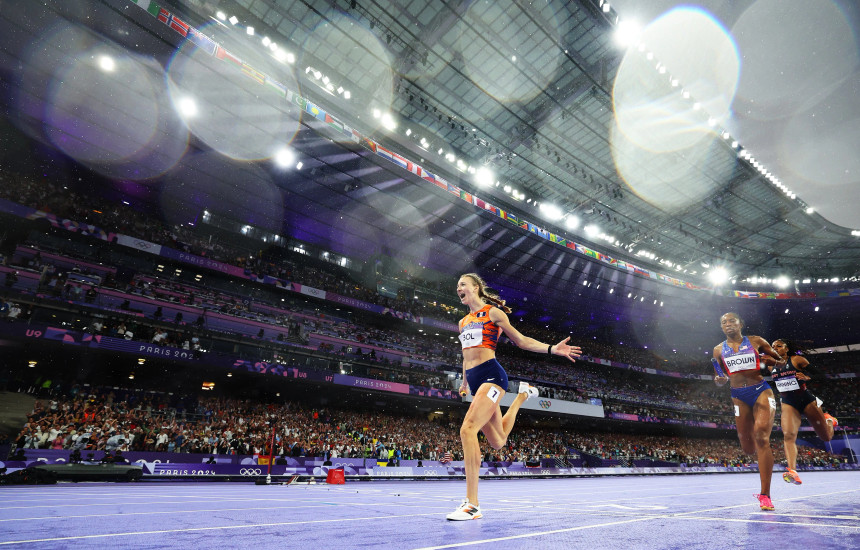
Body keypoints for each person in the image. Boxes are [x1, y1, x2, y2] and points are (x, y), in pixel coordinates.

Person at [446, 273, 581, 521]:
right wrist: (464, 382)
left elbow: (521, 341)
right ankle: (521, 397)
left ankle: (472, 504)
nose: (458, 288)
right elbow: (465, 356)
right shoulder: (463, 321)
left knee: (467, 430)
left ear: (475, 287)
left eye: (462, 284)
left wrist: (552, 349)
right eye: (457, 286)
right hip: (476, 383)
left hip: (492, 377)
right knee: (498, 442)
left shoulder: (493, 313)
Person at [712, 312, 785, 511]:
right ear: (721, 327)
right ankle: (756, 454)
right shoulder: (718, 350)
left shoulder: (756, 341)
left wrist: (774, 362)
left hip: (761, 390)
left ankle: (765, 495)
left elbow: (779, 360)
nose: (728, 324)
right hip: (737, 396)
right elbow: (720, 378)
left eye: (732, 320)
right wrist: (719, 381)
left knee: (761, 437)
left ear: (740, 323)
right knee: (748, 448)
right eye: (724, 321)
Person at [770, 338, 838, 485]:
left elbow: (822, 376)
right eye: (773, 346)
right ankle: (793, 472)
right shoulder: (771, 365)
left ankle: (829, 420)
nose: (775, 348)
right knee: (788, 435)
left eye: (779, 346)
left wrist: (808, 377)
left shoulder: (797, 360)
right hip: (788, 402)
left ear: (786, 349)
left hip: (806, 400)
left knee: (826, 437)